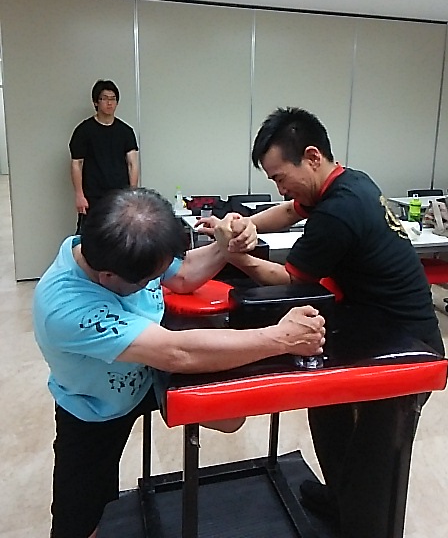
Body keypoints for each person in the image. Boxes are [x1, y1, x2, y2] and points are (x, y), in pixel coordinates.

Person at [200, 107, 445, 538]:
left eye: (280, 177)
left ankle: (363, 524)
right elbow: (288, 211)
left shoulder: (339, 210)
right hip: (364, 323)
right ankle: (339, 499)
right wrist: (242, 225)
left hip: (405, 340)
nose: (279, 187)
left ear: (312, 157)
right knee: (327, 409)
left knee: (374, 459)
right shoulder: (345, 181)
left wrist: (231, 253)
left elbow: (290, 279)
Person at [33, 186, 325, 538]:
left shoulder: (121, 247)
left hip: (147, 373)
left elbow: (183, 274)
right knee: (79, 522)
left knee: (230, 415)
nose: (156, 283)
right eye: (148, 282)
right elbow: (176, 351)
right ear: (108, 278)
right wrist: (280, 338)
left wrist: (225, 244)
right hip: (95, 406)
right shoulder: (65, 308)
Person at [69, 79, 139, 233]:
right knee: (89, 235)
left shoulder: (126, 131)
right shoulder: (83, 131)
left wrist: (132, 193)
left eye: (113, 99)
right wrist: (79, 195)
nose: (109, 103)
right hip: (92, 195)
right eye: (105, 98)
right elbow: (76, 164)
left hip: (120, 195)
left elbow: (133, 163)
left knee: (120, 235)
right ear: (96, 102)